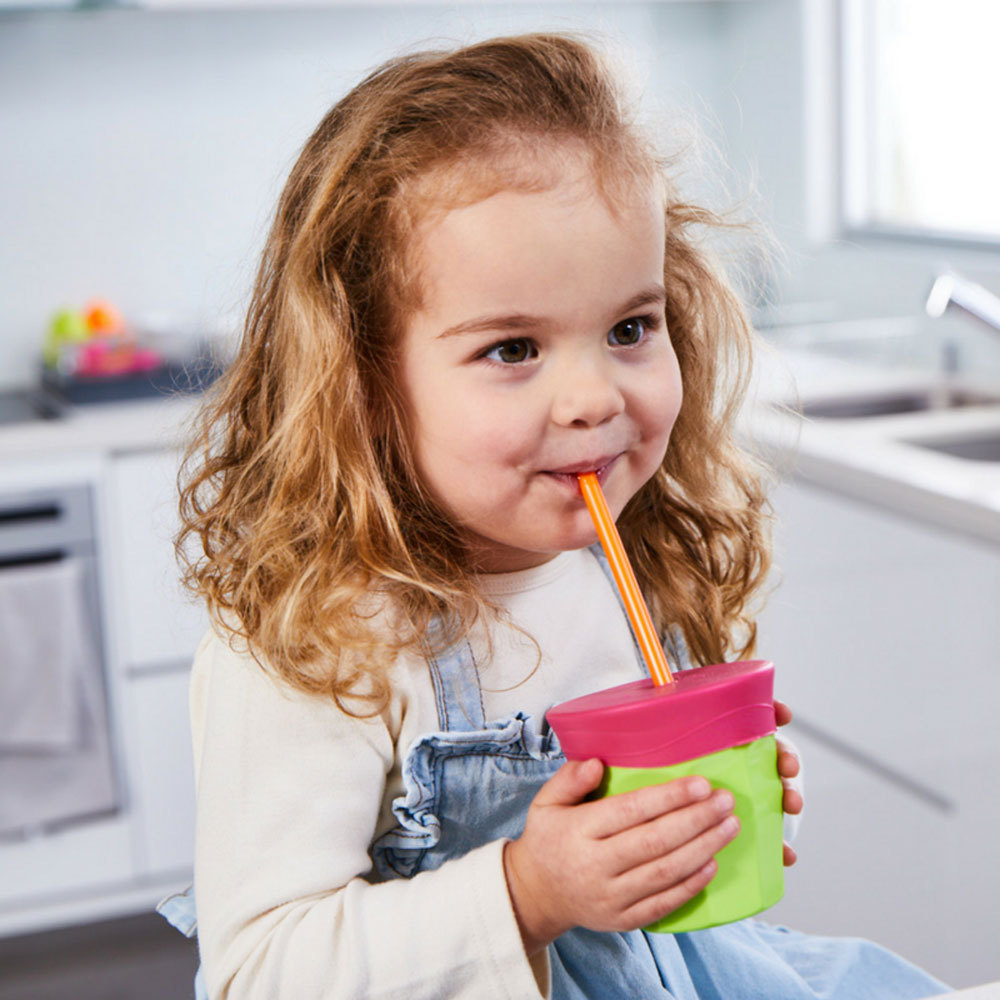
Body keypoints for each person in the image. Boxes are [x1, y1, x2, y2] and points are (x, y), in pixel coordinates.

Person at [158, 33, 949, 1000]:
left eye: (629, 329)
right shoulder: (321, 644)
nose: (591, 397)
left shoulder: (628, 560)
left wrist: (692, 822)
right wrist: (530, 891)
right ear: (361, 384)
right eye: (513, 348)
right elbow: (260, 972)